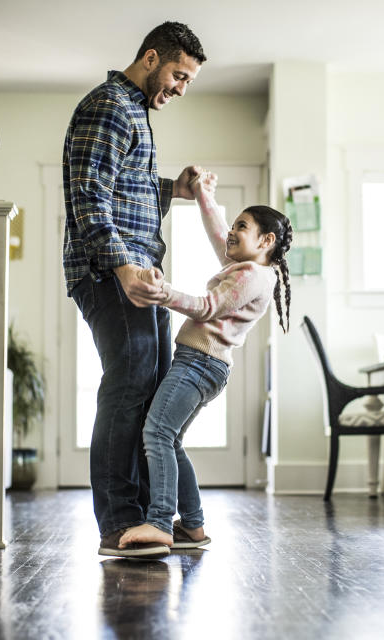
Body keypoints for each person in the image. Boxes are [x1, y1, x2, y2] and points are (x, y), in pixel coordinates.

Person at [62, 21, 208, 558]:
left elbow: (130, 187)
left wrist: (178, 189)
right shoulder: (109, 106)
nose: (180, 88)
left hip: (142, 276)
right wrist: (123, 267)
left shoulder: (134, 113)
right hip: (112, 274)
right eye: (177, 74)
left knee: (150, 396)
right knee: (129, 389)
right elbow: (90, 196)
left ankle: (154, 520)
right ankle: (119, 524)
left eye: (188, 80)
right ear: (150, 57)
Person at [119, 171, 293, 551]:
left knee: (158, 434)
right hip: (202, 363)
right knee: (171, 439)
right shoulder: (248, 269)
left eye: (242, 227)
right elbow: (218, 234)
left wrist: (162, 292)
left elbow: (208, 307)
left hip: (199, 363)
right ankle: (193, 527)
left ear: (266, 240)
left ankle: (161, 523)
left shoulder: (252, 275)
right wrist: (203, 195)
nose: (232, 232)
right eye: (234, 225)